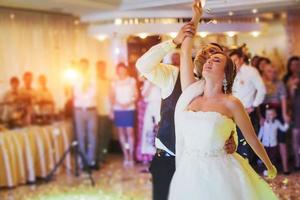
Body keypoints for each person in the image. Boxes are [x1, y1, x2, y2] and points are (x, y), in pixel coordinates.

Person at [168, 2, 277, 199]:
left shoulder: (231, 103)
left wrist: (269, 166)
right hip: (188, 172)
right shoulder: (191, 93)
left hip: (220, 173)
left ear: (226, 74)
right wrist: (196, 19)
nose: (209, 61)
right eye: (208, 60)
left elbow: (252, 138)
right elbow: (185, 51)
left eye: (216, 60)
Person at [136, 14, 236, 200]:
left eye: (215, 56)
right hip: (168, 160)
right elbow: (143, 65)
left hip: (202, 167)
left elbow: (226, 123)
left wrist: (232, 140)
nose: (208, 56)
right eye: (205, 52)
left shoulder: (222, 95)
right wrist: (173, 41)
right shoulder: (173, 76)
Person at [230, 48, 266, 162]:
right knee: (236, 139)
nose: (234, 62)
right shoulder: (231, 72)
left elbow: (262, 89)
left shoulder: (251, 71)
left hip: (247, 111)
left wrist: (254, 106)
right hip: (232, 112)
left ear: (241, 59)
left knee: (247, 140)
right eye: (231, 60)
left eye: (235, 59)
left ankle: (249, 167)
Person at [260, 63, 290, 174]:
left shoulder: (280, 83)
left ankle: (285, 167)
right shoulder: (261, 82)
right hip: (264, 112)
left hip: (277, 111)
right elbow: (258, 102)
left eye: (274, 72)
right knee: (264, 140)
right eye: (269, 71)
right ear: (264, 72)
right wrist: (260, 117)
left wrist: (285, 114)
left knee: (282, 139)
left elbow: (283, 99)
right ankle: (266, 167)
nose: (272, 74)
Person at [110, 63, 138, 167]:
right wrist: (118, 104)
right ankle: (126, 156)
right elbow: (111, 96)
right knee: (121, 133)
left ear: (126, 70)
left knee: (130, 132)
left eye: (123, 69)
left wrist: (129, 103)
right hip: (118, 109)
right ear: (117, 71)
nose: (122, 71)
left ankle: (131, 156)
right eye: (119, 70)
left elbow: (136, 94)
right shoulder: (114, 82)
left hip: (129, 108)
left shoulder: (131, 80)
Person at [73, 58, 98, 169]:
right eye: (81, 66)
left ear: (87, 67)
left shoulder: (93, 78)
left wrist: (84, 94)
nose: (83, 68)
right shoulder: (75, 78)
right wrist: (84, 93)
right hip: (79, 110)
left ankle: (91, 160)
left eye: (85, 66)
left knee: (92, 135)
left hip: (91, 109)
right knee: (80, 135)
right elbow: (75, 93)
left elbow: (94, 93)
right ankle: (82, 160)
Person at [258, 106, 289, 173]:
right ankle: (265, 170)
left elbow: (283, 129)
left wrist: (287, 123)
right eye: (267, 114)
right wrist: (258, 141)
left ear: (275, 115)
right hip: (265, 144)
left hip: (273, 144)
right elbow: (261, 132)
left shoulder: (277, 122)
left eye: (271, 114)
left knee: (272, 158)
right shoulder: (264, 123)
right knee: (265, 157)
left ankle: (271, 170)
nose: (269, 116)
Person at [284, 56, 300, 170]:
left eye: (297, 65)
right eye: (293, 65)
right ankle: (297, 162)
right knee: (295, 137)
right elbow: (286, 98)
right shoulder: (286, 79)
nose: (295, 67)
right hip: (294, 110)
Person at [96, 60, 113, 165]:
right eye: (100, 67)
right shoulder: (94, 81)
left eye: (103, 67)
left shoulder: (108, 80)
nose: (102, 69)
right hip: (98, 112)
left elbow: (111, 95)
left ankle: (104, 155)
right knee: (100, 135)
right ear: (97, 68)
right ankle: (99, 157)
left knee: (107, 135)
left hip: (108, 111)